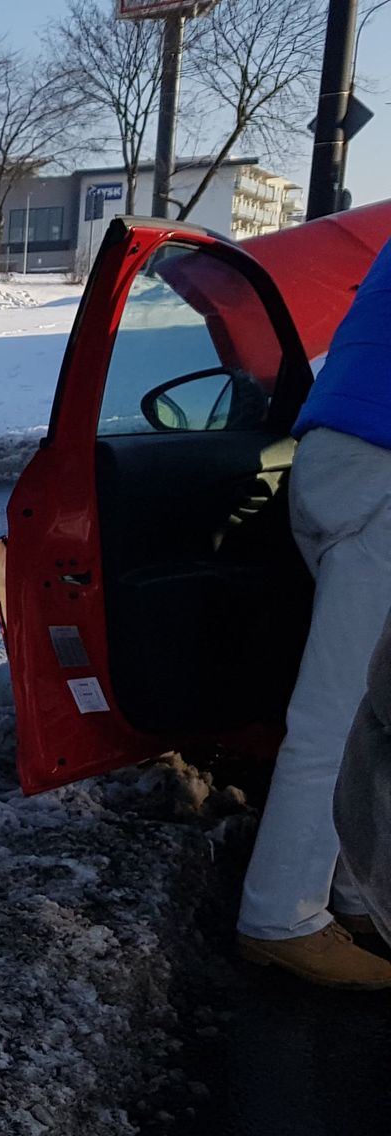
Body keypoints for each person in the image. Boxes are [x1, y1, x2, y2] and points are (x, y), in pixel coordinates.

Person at [236, 236, 391, 988]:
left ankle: (358, 893)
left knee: (373, 709)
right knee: (342, 715)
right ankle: (281, 916)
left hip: (333, 455)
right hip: (386, 475)